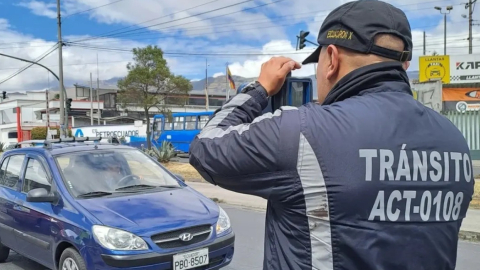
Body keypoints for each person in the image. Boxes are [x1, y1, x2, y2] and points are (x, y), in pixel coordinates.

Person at [189, 1, 475, 269]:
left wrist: (260, 88)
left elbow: (205, 147)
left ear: (332, 60)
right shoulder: (454, 140)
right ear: (404, 65)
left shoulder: (302, 131)